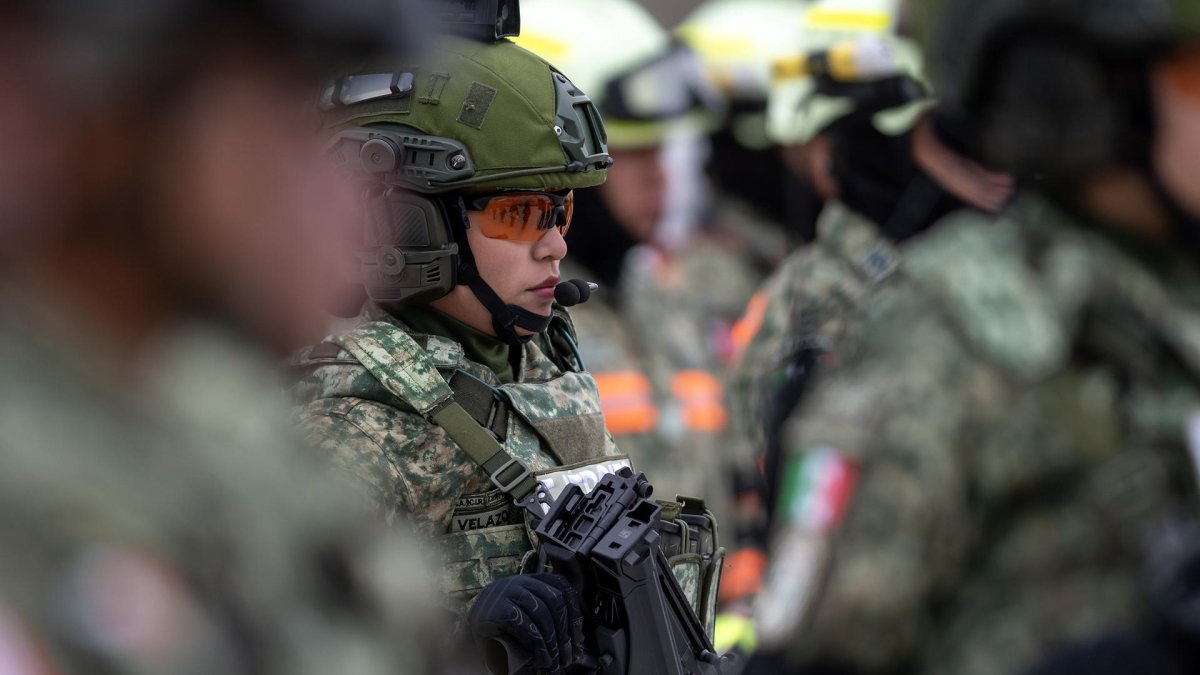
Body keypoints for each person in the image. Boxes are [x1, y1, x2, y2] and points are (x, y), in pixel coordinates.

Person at [750, 0, 1200, 673]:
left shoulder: (1164, 300)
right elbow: (823, 646)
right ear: (1075, 95)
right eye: (1193, 80)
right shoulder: (962, 327)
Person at [0, 1, 444, 674]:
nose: (356, 196)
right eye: (297, 113)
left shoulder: (219, 422)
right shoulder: (31, 465)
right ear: (114, 118)